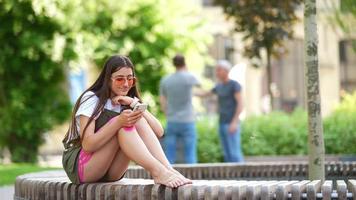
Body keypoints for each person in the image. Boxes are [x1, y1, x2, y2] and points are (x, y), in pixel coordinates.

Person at [62, 55, 191, 188]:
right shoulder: (92, 98)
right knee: (123, 126)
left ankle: (168, 170)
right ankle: (158, 172)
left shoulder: (126, 101)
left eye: (130, 79)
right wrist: (118, 121)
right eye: (119, 79)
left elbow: (159, 131)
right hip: (84, 168)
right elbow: (88, 145)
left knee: (136, 120)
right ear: (107, 79)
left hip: (112, 171)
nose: (125, 84)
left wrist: (134, 103)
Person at [199, 60, 244, 162]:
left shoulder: (234, 85)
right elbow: (205, 94)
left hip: (231, 123)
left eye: (219, 70)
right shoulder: (218, 86)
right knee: (227, 153)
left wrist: (234, 122)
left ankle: (241, 177)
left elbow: (241, 104)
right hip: (222, 123)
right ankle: (231, 178)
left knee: (234, 153)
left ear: (226, 71)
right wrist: (190, 91)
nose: (217, 73)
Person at [159, 54, 200, 164]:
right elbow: (202, 89)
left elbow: (162, 99)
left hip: (172, 119)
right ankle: (193, 176)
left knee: (169, 153)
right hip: (188, 119)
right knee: (190, 153)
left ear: (173, 64)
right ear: (184, 63)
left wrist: (166, 112)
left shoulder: (166, 80)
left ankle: (169, 176)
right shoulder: (190, 77)